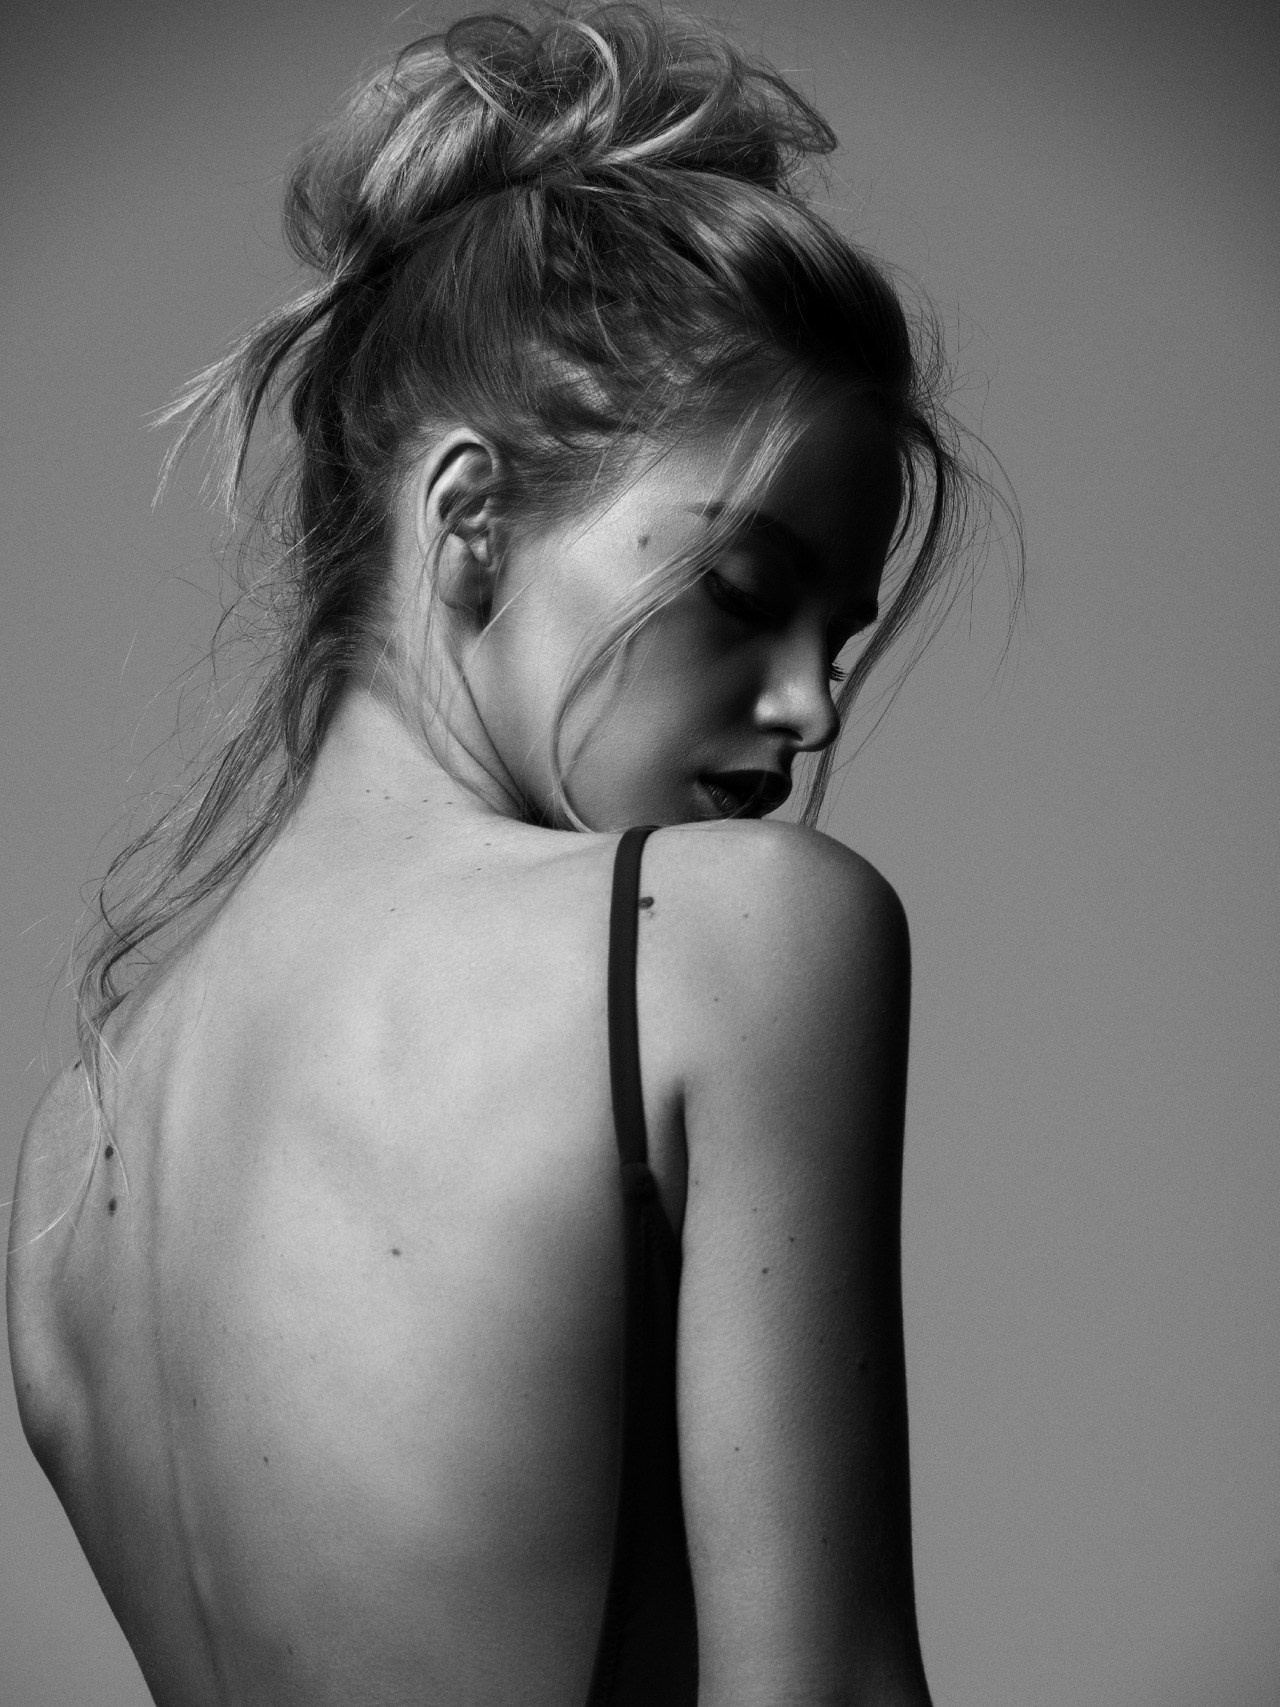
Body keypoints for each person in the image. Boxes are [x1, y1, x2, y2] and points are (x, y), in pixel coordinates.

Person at [8, 5, 1012, 1703]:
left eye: (838, 637)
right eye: (747, 593)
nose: (808, 709)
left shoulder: (70, 1165)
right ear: (470, 517)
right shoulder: (721, 943)